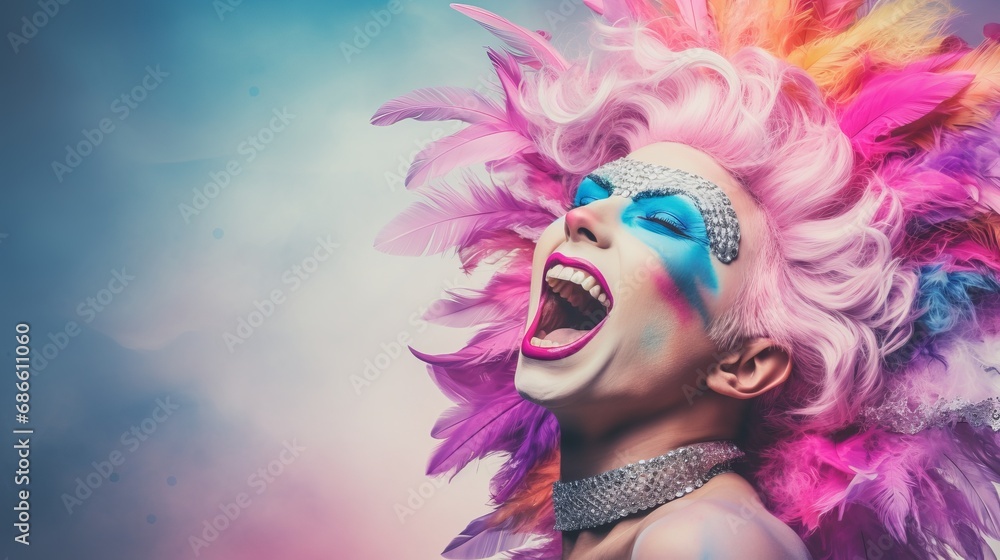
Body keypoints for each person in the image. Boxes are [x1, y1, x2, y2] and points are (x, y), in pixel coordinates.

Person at [373, 1, 1000, 558]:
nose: (583, 216)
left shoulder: (704, 540)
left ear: (746, 364)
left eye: (667, 222)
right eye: (592, 195)